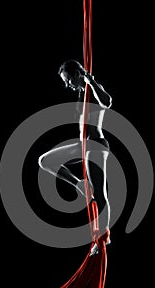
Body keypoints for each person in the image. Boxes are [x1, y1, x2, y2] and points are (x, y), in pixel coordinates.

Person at [38, 59, 112, 256]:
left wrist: (90, 81)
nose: (67, 84)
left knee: (99, 195)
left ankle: (102, 238)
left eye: (68, 79)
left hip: (95, 146)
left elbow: (107, 102)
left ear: (77, 74)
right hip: (82, 146)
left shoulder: (92, 89)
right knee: (45, 161)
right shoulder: (82, 94)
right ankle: (79, 183)